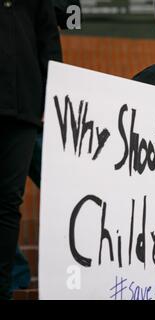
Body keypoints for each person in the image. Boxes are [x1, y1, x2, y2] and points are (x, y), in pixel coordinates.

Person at [0, 0, 62, 300]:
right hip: (21, 108)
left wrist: (50, 100)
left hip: (23, 110)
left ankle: (3, 288)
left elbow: (49, 44)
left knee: (9, 202)